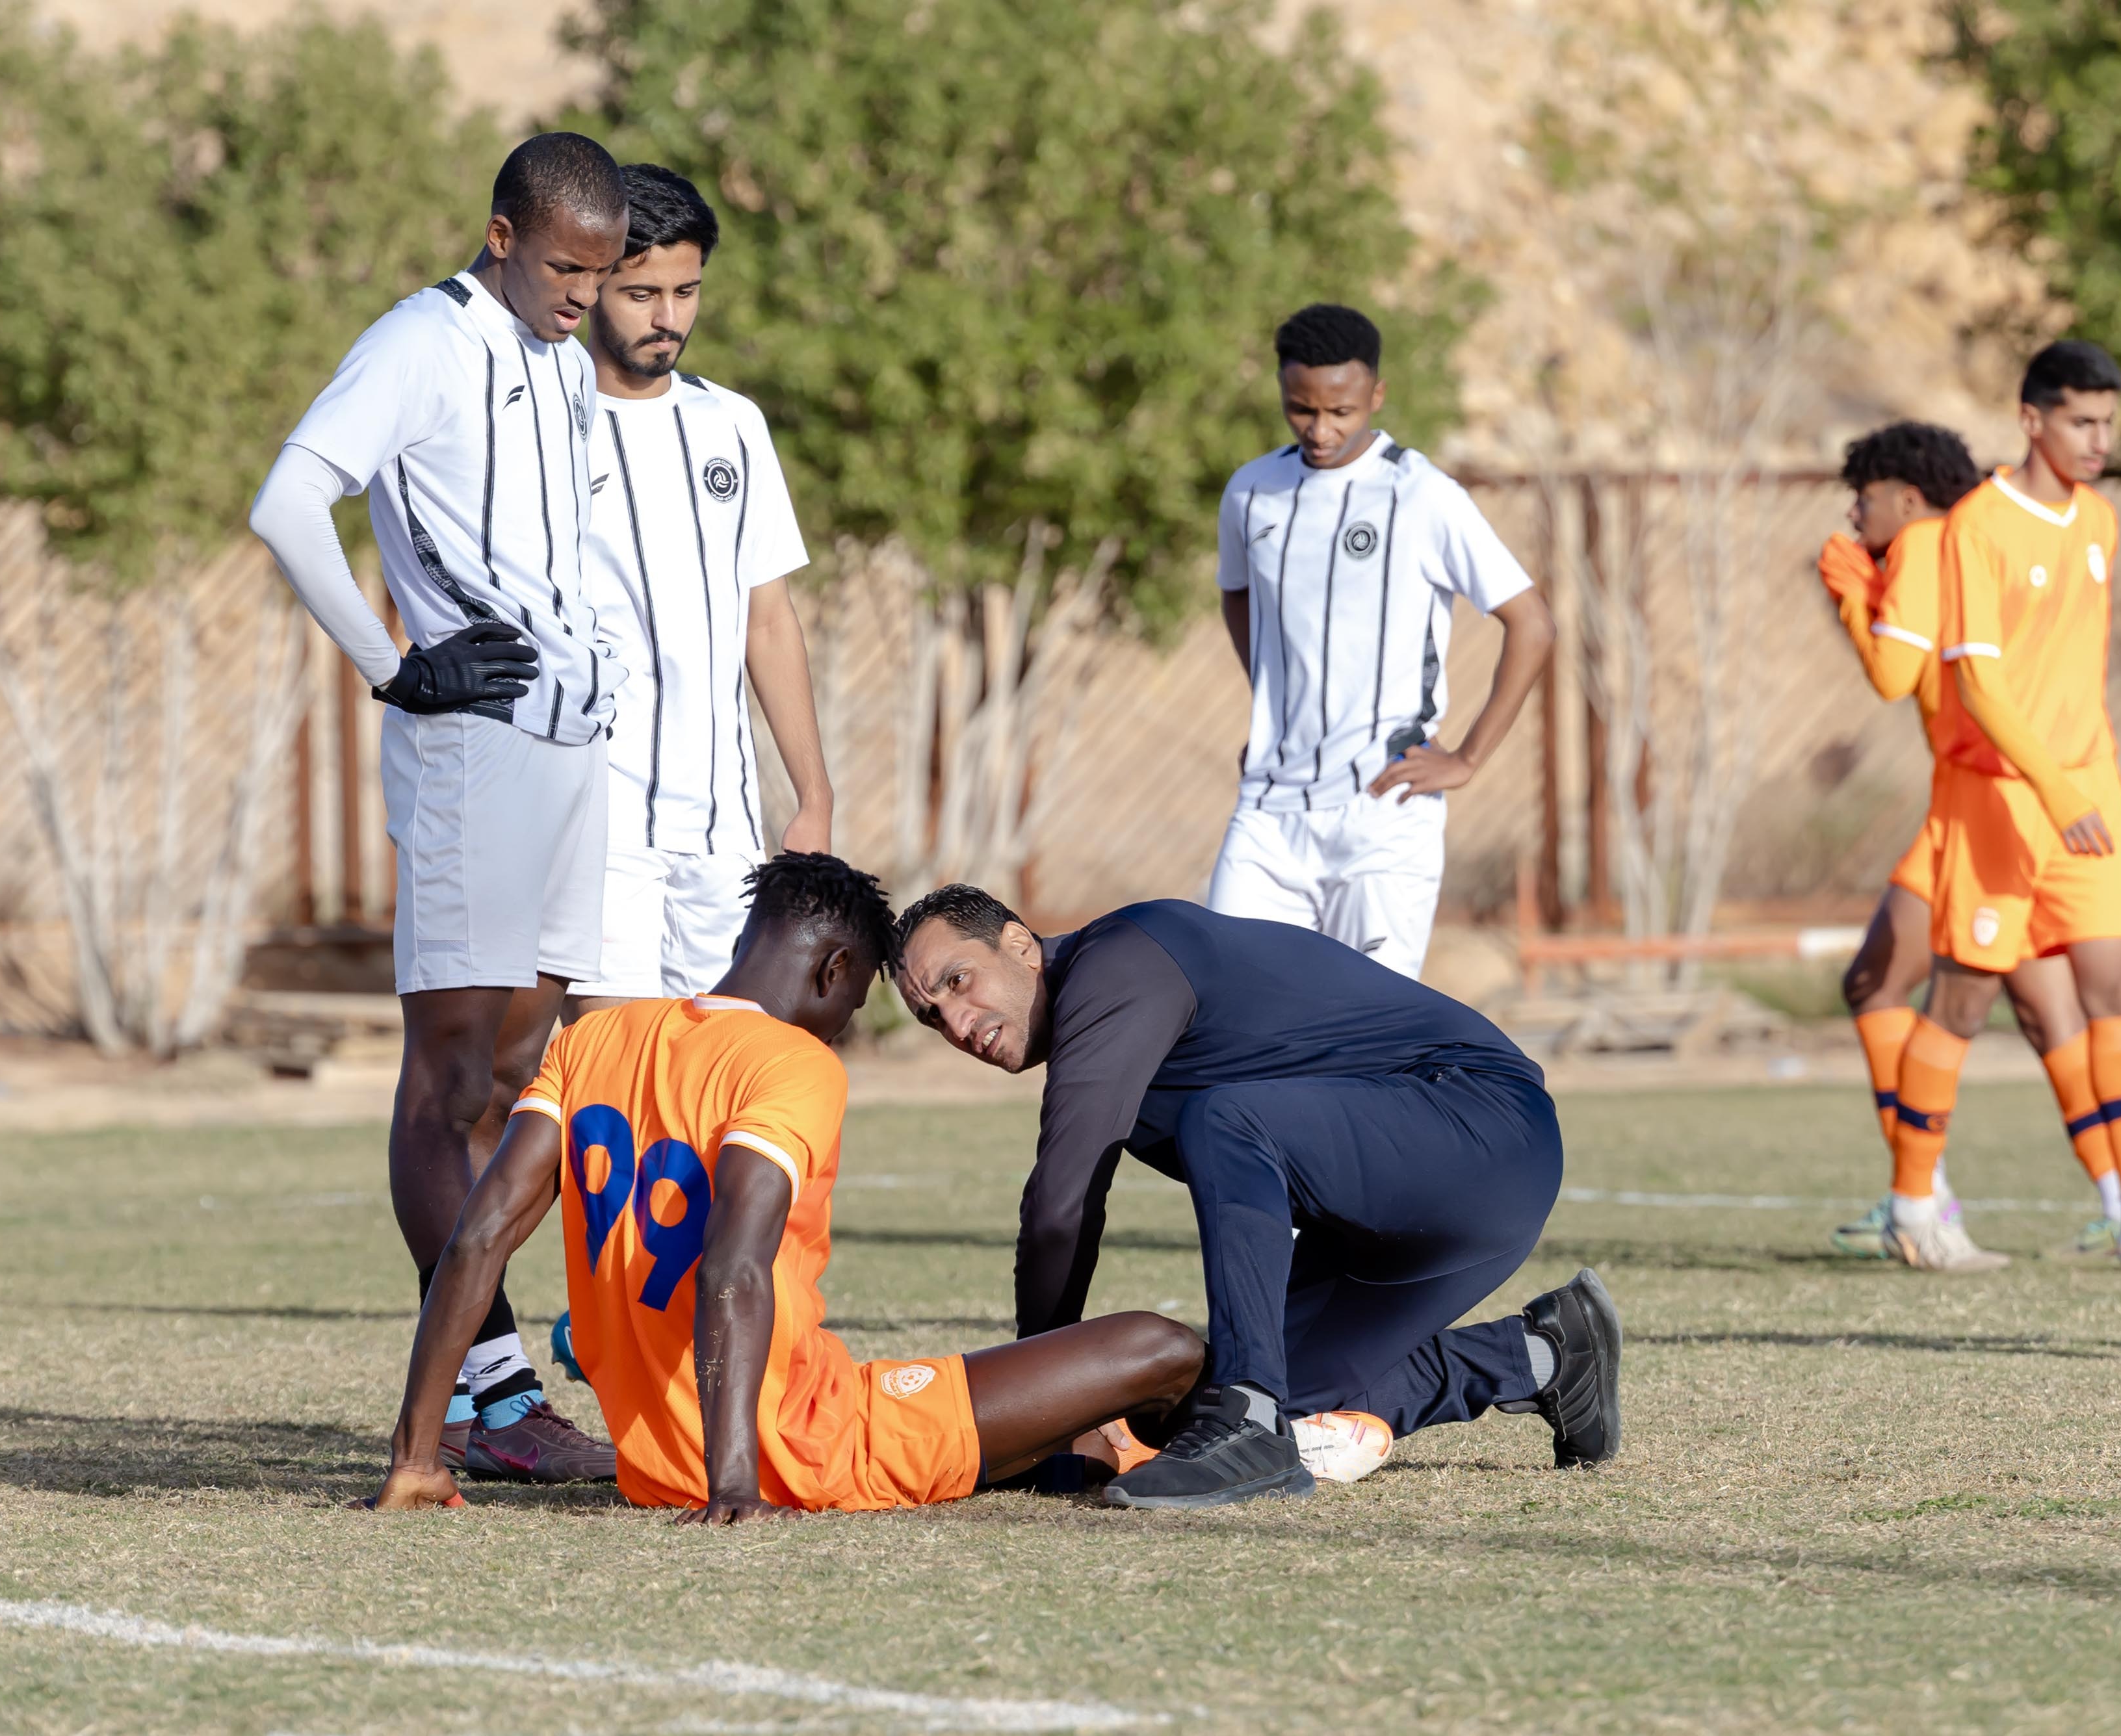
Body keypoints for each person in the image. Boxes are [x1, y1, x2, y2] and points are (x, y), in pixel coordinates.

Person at [360, 855, 1206, 1518]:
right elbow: (733, 1263)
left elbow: (477, 1237)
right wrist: (736, 1482)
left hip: (653, 1462)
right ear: (835, 970)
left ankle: (1085, 1453)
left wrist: (417, 1456)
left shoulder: (597, 1037)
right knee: (1161, 1346)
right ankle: (1171, 1446)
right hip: (799, 1440)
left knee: (1026, 1414)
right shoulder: (795, 1060)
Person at [250, 133, 631, 1481]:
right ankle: (494, 1395)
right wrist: (395, 667)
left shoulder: (556, 360)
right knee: (451, 1081)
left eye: (604, 272)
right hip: (467, 749)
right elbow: (289, 502)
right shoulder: (421, 338)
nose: (588, 294)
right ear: (502, 235)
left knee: (523, 1078)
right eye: (569, 268)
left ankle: (500, 1395)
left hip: (569, 746)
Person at [892, 885, 1620, 1510]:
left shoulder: (1121, 960)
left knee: (1225, 1120)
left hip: (1481, 1128)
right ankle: (1543, 1355)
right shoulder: (1095, 1040)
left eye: (957, 981)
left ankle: (1248, 1418)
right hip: (1391, 1223)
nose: (956, 1024)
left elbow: (1062, 1199)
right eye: (931, 1016)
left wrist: (1038, 1412)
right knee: (1177, 1420)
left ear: (1020, 944)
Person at [1884, 339, 2121, 1269]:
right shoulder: (1975, 525)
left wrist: (2080, 784)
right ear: (2031, 419)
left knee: (2113, 987)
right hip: (2003, 803)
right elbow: (1974, 683)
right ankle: (1908, 1204)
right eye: (2080, 422)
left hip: (2087, 796)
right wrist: (2050, 788)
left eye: (2107, 424)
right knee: (1965, 1001)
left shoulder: (2098, 519)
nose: (2098, 441)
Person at [1814, 422, 2120, 1265]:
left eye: (1864, 498)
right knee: (2044, 1003)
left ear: (1906, 496)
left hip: (1977, 801)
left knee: (1882, 983)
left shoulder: (1918, 539)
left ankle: (1923, 1203)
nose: (1854, 513)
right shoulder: (1982, 527)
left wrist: (1848, 590)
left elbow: (1892, 674)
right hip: (2031, 785)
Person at [1205, 304, 1556, 980]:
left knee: (1360, 1031)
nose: (1320, 428)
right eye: (1300, 409)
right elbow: (1236, 592)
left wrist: (1468, 757)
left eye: (1340, 411)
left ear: (1375, 395)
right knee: (1229, 1011)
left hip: (1381, 812)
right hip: (1268, 810)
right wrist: (1275, 709)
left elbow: (1532, 622)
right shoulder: (1251, 492)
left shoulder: (1421, 495)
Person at [564, 165, 833, 1019]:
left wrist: (813, 795)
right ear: (591, 281)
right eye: (642, 292)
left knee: (722, 1074)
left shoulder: (731, 424)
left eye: (687, 291)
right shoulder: (542, 423)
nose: (668, 316)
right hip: (593, 822)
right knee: (613, 1086)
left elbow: (769, 618)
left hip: (723, 829)